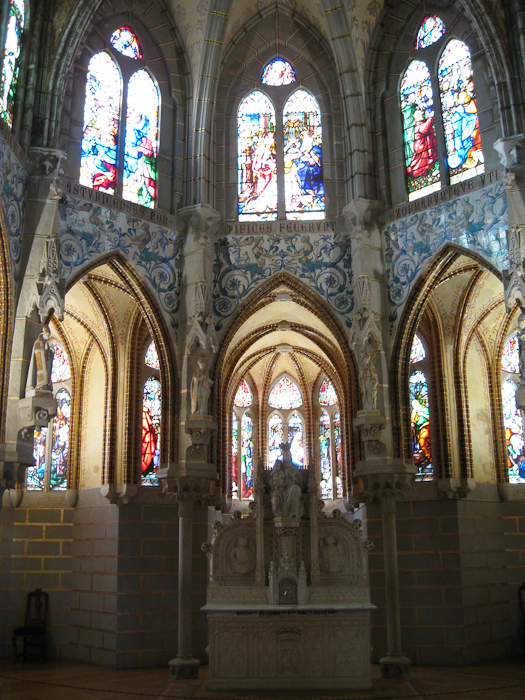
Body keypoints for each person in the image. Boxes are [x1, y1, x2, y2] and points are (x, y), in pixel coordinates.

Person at [270, 441, 304, 518]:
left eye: (288, 455)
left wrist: (293, 478)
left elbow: (300, 482)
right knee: (275, 499)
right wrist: (279, 479)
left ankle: (294, 513)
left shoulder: (295, 468)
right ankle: (279, 516)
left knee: (295, 489)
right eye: (285, 455)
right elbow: (273, 481)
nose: (287, 457)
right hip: (280, 490)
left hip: (291, 487)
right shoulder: (279, 467)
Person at [26, 325, 54, 396]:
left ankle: (44, 385)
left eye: (49, 335)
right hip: (39, 365)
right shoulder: (38, 342)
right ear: (43, 333)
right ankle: (39, 385)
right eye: (47, 335)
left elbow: (47, 355)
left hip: (45, 364)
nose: (48, 337)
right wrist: (45, 350)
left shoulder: (46, 343)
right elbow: (39, 354)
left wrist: (50, 351)